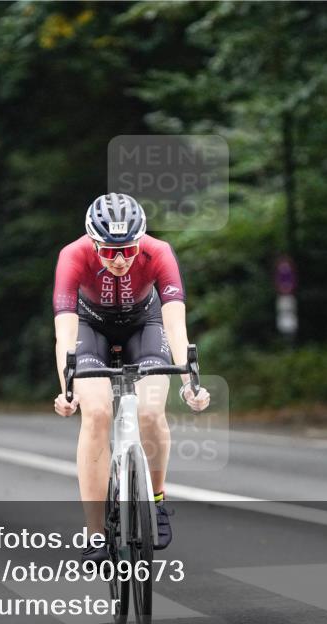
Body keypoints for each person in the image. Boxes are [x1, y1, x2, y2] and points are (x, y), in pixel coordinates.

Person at [52, 193, 211, 564]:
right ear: (93, 243)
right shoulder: (73, 255)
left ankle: (156, 500)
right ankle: (95, 532)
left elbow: (176, 326)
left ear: (141, 241)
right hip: (91, 329)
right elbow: (65, 334)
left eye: (128, 250)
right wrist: (67, 389)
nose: (120, 260)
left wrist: (190, 383)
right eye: (109, 252)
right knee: (96, 413)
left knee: (151, 411)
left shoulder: (159, 252)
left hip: (145, 325)